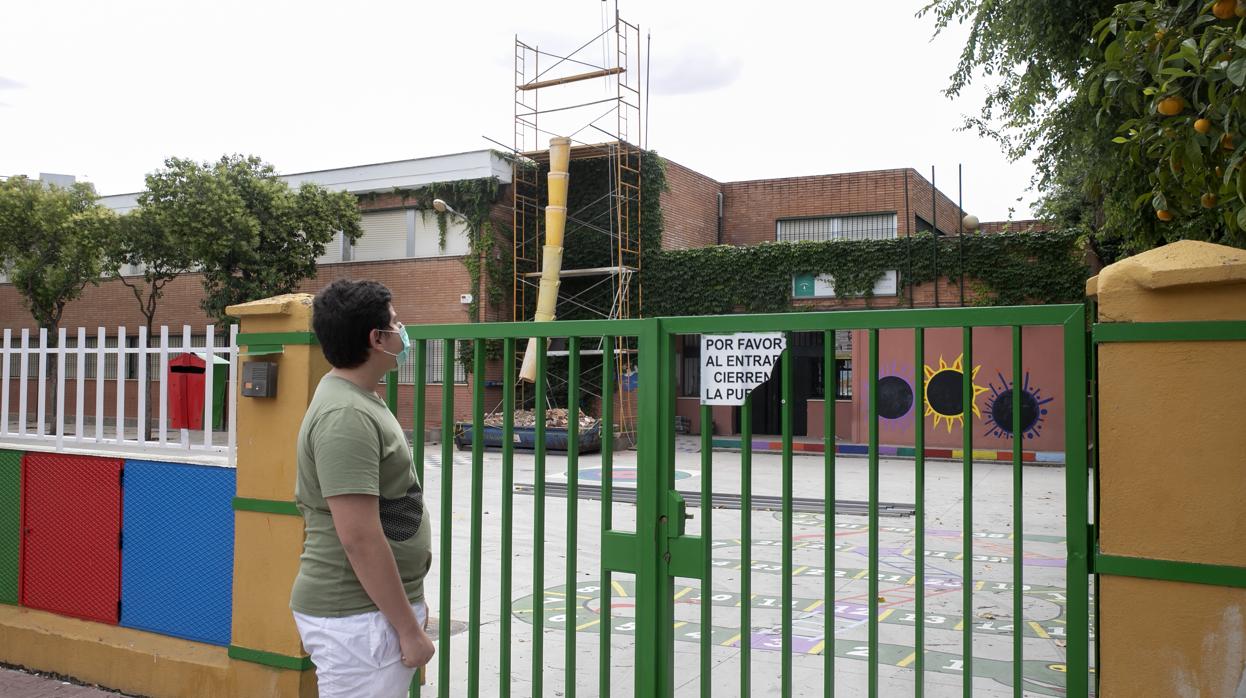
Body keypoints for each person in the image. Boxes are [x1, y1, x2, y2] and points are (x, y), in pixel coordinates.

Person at [291, 279, 434, 697]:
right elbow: (359, 537)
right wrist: (408, 629)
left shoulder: (358, 398)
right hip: (358, 621)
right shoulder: (345, 415)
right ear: (377, 338)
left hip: (371, 615)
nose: (402, 329)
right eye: (395, 322)